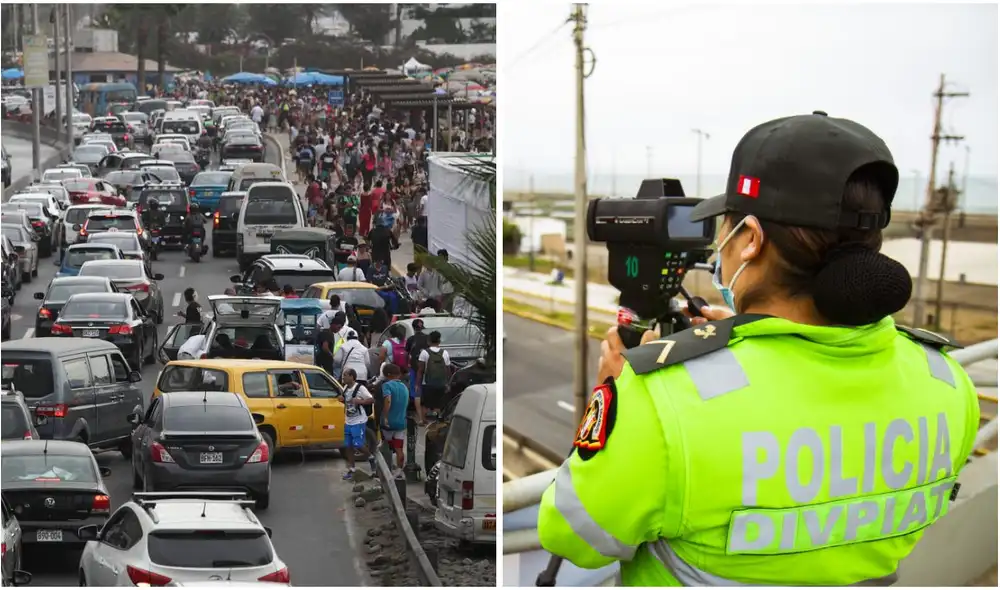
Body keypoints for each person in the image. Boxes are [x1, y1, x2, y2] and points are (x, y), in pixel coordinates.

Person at [536, 112, 981, 586]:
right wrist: (742, 341)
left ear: (749, 239)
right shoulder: (946, 381)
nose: (718, 244)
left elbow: (572, 536)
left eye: (724, 226)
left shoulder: (664, 401)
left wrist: (611, 392)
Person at [340, 367, 375, 480]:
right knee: (348, 446)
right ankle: (352, 469)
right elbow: (346, 401)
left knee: (358, 444)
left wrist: (360, 401)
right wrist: (342, 399)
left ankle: (371, 457)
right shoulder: (345, 388)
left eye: (345, 375)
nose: (343, 377)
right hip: (348, 421)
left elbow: (371, 399)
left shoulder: (360, 388)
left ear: (352, 376)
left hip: (359, 421)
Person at [380, 363, 409, 478]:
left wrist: (385, 417)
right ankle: (399, 471)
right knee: (399, 448)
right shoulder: (404, 387)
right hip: (401, 422)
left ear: (388, 375)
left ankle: (387, 469)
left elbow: (388, 400)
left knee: (386, 446)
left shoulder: (387, 385)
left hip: (389, 422)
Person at [416, 330, 451, 419]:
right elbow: (448, 370)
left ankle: (424, 421)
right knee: (438, 405)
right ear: (439, 341)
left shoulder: (424, 352)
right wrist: (447, 383)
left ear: (429, 341)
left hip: (427, 384)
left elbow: (420, 370)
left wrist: (417, 384)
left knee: (425, 405)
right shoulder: (445, 353)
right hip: (441, 384)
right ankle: (436, 422)